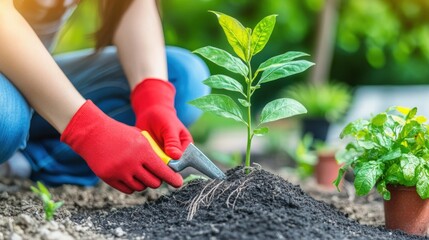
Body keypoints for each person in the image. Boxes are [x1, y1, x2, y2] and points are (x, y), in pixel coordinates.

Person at [0, 0, 210, 194]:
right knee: (5, 120)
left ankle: (28, 160)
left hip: (31, 83)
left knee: (184, 80)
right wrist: (87, 130)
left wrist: (153, 99)